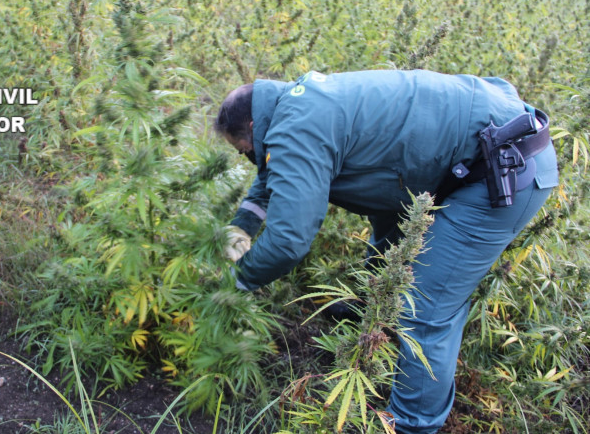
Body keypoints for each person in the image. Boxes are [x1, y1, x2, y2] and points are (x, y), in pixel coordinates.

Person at [214, 69, 558, 433]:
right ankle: (372, 320)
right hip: (479, 143)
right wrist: (242, 227)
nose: (249, 159)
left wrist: (237, 280)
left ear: (253, 127)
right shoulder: (296, 104)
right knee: (388, 234)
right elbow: (274, 170)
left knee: (424, 308)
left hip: (502, 170)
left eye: (245, 152)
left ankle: (411, 425)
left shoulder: (294, 129)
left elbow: (288, 241)